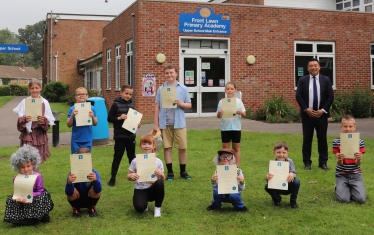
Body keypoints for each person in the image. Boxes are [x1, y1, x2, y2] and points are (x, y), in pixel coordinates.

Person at [153, 64, 192, 181]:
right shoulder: (161, 89)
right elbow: (157, 107)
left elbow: (189, 105)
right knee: (167, 147)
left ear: (176, 73)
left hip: (179, 123)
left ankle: (183, 171)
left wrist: (180, 103)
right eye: (167, 73)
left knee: (182, 147)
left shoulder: (183, 88)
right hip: (165, 123)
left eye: (171, 72)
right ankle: (170, 172)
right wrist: (156, 125)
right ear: (164, 74)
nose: (169, 75)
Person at [296, 58, 334, 170]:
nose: (313, 67)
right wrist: (306, 109)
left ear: (319, 67)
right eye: (311, 66)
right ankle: (307, 163)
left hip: (321, 115)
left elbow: (330, 96)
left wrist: (323, 110)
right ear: (308, 68)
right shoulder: (303, 80)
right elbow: (299, 95)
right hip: (307, 116)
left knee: (322, 139)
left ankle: (323, 163)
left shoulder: (326, 80)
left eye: (315, 65)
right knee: (307, 139)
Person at [4, 145, 54, 225]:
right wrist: (18, 197)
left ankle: (41, 215)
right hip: (23, 196)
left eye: (28, 166)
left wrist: (30, 195)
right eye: (22, 167)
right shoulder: (16, 178)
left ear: (33, 164)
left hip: (36, 195)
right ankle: (19, 217)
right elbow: (18, 190)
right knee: (10, 199)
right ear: (18, 168)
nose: (26, 169)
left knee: (40, 198)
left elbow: (40, 190)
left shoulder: (38, 176)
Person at [13, 79, 55, 164]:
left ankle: (36, 177)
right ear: (29, 89)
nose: (34, 90)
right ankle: (28, 176)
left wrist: (43, 120)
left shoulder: (45, 103)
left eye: (36, 88)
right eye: (32, 88)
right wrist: (24, 119)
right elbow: (20, 124)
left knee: (37, 161)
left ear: (40, 88)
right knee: (27, 161)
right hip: (28, 135)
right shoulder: (24, 102)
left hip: (40, 135)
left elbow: (47, 125)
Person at [107, 84, 138, 187]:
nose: (128, 96)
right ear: (121, 93)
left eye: (130, 94)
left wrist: (137, 123)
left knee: (132, 158)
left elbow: (133, 118)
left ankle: (135, 176)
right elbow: (110, 118)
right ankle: (112, 178)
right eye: (126, 93)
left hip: (130, 136)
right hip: (120, 136)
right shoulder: (115, 104)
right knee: (117, 157)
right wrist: (119, 118)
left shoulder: (131, 104)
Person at [127, 134, 165, 217]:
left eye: (149, 144)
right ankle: (144, 203)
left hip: (153, 188)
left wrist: (161, 174)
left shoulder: (158, 161)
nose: (146, 146)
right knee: (140, 208)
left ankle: (157, 208)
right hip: (140, 188)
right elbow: (128, 175)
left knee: (160, 183)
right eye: (144, 144)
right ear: (140, 146)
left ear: (153, 146)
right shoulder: (135, 161)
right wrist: (131, 176)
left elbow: (162, 179)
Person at [332, 115, 366, 203]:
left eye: (350, 126)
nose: (348, 129)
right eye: (345, 126)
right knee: (344, 200)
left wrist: (359, 158)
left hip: (355, 175)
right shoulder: (336, 142)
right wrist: (339, 158)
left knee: (360, 199)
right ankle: (338, 187)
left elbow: (358, 164)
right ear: (341, 127)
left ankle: (352, 187)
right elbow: (339, 163)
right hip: (341, 174)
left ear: (355, 127)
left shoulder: (360, 142)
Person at [65, 147, 102, 218]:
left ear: (91, 160)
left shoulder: (94, 173)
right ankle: (76, 209)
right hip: (77, 198)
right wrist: (69, 183)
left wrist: (95, 180)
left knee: (95, 189)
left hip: (89, 197)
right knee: (72, 191)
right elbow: (68, 193)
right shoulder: (72, 174)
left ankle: (91, 207)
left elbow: (98, 190)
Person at [216, 82, 246, 167]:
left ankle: (237, 167)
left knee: (236, 148)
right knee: (226, 149)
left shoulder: (238, 102)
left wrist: (240, 112)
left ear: (235, 90)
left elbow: (244, 114)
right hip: (225, 128)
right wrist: (219, 113)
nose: (230, 91)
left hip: (236, 128)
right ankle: (226, 166)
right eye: (228, 89)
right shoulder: (222, 102)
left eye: (232, 89)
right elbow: (218, 116)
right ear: (225, 90)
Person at [264, 142, 300, 208]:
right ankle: (277, 199)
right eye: (278, 152)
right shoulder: (272, 164)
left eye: (284, 153)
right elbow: (270, 179)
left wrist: (292, 174)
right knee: (267, 186)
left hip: (288, 186)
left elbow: (294, 172)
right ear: (274, 153)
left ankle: (293, 201)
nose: (281, 155)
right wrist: (267, 177)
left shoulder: (290, 161)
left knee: (296, 182)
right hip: (277, 187)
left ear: (287, 153)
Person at [67, 87, 98, 154]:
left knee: (86, 160)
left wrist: (92, 116)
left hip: (87, 139)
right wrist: (72, 115)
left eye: (84, 94)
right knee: (76, 160)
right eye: (79, 94)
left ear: (87, 96)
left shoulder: (91, 108)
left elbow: (95, 123)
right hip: (76, 139)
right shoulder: (72, 109)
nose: (81, 96)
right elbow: (69, 125)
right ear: (75, 97)